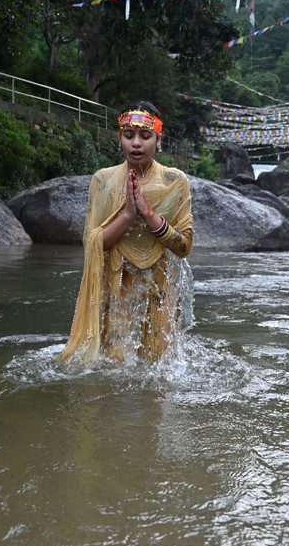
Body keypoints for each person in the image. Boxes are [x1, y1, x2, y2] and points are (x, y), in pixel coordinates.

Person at [60, 101, 194, 368]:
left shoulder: (174, 182)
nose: (136, 143)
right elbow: (92, 244)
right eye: (128, 135)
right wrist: (128, 215)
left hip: (160, 286)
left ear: (158, 139)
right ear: (118, 137)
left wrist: (149, 214)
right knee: (114, 366)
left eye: (145, 136)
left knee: (158, 369)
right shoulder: (103, 180)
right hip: (116, 286)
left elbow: (184, 247)